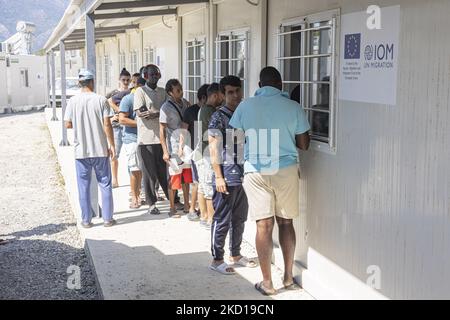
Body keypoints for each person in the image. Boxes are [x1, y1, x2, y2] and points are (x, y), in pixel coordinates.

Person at [229, 66, 310, 295]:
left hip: (255, 171)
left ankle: (267, 283)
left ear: (259, 85)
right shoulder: (293, 107)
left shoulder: (245, 106)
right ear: (281, 85)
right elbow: (304, 144)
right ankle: (287, 277)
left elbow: (234, 139)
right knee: (286, 223)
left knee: (263, 225)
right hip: (285, 169)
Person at [208, 75, 257, 275]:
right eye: (230, 92)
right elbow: (213, 148)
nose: (235, 95)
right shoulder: (218, 117)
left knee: (239, 218)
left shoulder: (246, 112)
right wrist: (218, 176)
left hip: (245, 175)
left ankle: (235, 254)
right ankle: (216, 259)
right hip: (226, 176)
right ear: (222, 94)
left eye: (237, 90)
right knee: (222, 219)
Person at [64, 69, 116, 228]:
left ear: (80, 83)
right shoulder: (101, 100)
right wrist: (112, 145)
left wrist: (80, 125)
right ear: (92, 82)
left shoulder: (72, 101)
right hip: (100, 149)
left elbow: (67, 124)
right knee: (105, 183)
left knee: (83, 186)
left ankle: (86, 220)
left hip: (81, 151)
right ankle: (108, 219)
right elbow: (107, 124)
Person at [134, 64, 170, 216]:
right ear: (145, 76)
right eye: (151, 75)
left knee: (164, 172)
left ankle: (172, 198)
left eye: (156, 74)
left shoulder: (163, 92)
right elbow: (142, 113)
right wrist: (159, 113)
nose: (155, 77)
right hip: (146, 139)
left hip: (162, 139)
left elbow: (169, 108)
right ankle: (151, 203)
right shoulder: (140, 92)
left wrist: (155, 113)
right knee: (149, 174)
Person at [159, 79, 192, 218]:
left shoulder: (186, 103)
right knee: (174, 177)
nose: (181, 91)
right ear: (170, 92)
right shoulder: (165, 107)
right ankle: (172, 207)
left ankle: (186, 205)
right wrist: (165, 151)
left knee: (186, 177)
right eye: (177, 90)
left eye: (181, 88)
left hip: (186, 146)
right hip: (173, 147)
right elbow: (162, 130)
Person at [196, 83, 224, 229]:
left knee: (202, 186)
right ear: (215, 95)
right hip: (207, 154)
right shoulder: (210, 112)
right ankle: (211, 220)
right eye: (222, 94)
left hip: (202, 153)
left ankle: (204, 216)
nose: (223, 98)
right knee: (208, 189)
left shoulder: (204, 109)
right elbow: (212, 136)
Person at [182, 84, 209, 221]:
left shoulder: (210, 110)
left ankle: (201, 209)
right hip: (195, 151)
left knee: (204, 182)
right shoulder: (190, 111)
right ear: (203, 98)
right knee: (197, 182)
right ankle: (192, 209)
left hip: (208, 152)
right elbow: (183, 131)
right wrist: (181, 148)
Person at [118, 77, 146, 209]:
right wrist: (140, 124)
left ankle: (139, 194)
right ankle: (134, 197)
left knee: (141, 169)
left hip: (145, 139)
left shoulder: (146, 98)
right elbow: (122, 120)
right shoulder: (128, 99)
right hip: (132, 139)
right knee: (134, 169)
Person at [106, 68, 132, 188]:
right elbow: (104, 110)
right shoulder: (112, 94)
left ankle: (134, 183)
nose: (126, 82)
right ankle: (115, 180)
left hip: (129, 127)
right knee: (114, 154)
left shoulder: (133, 92)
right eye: (123, 80)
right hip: (116, 127)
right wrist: (110, 119)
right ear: (119, 80)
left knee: (131, 156)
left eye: (128, 80)